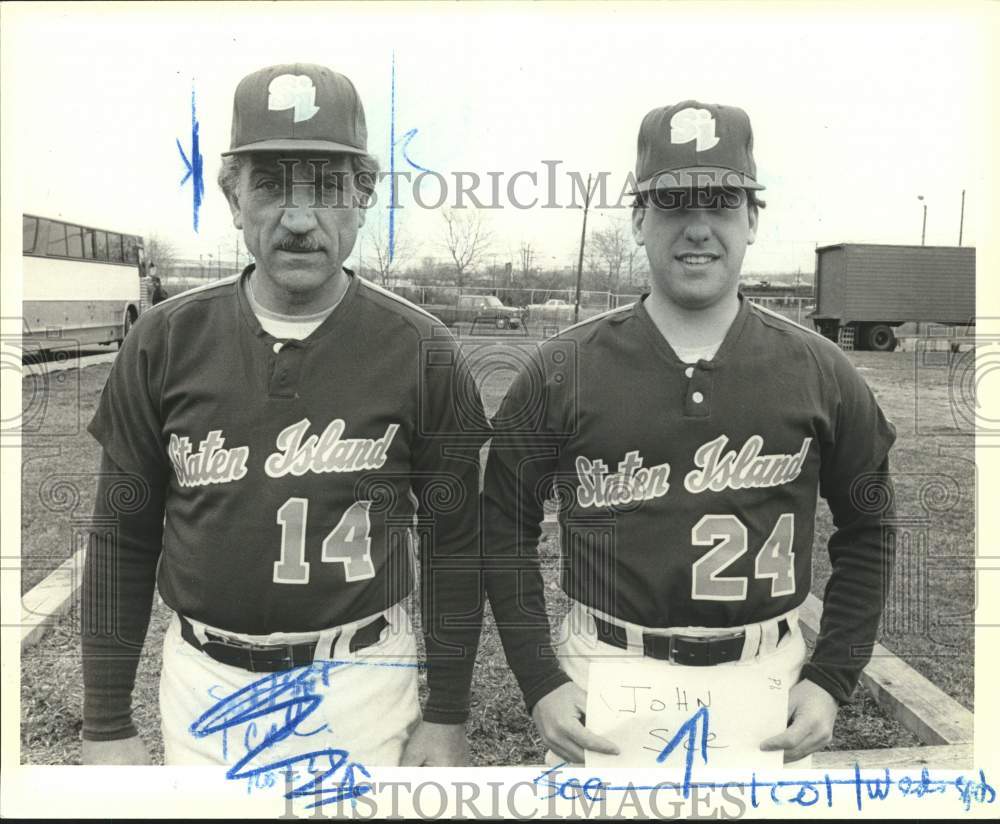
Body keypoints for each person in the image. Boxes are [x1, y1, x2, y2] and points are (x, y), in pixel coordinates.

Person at [81, 63, 488, 771]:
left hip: (363, 682)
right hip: (205, 684)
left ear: (364, 198)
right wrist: (106, 721)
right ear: (232, 197)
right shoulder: (164, 338)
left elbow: (454, 545)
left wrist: (447, 712)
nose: (299, 219)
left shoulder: (424, 349)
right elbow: (122, 537)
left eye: (328, 186)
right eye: (270, 184)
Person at [484, 100, 896, 767]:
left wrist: (830, 678)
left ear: (753, 219)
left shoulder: (821, 369)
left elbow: (869, 528)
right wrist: (541, 680)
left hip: (768, 680)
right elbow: (501, 524)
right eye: (675, 204)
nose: (698, 229)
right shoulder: (562, 368)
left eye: (722, 203)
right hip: (606, 675)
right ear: (640, 218)